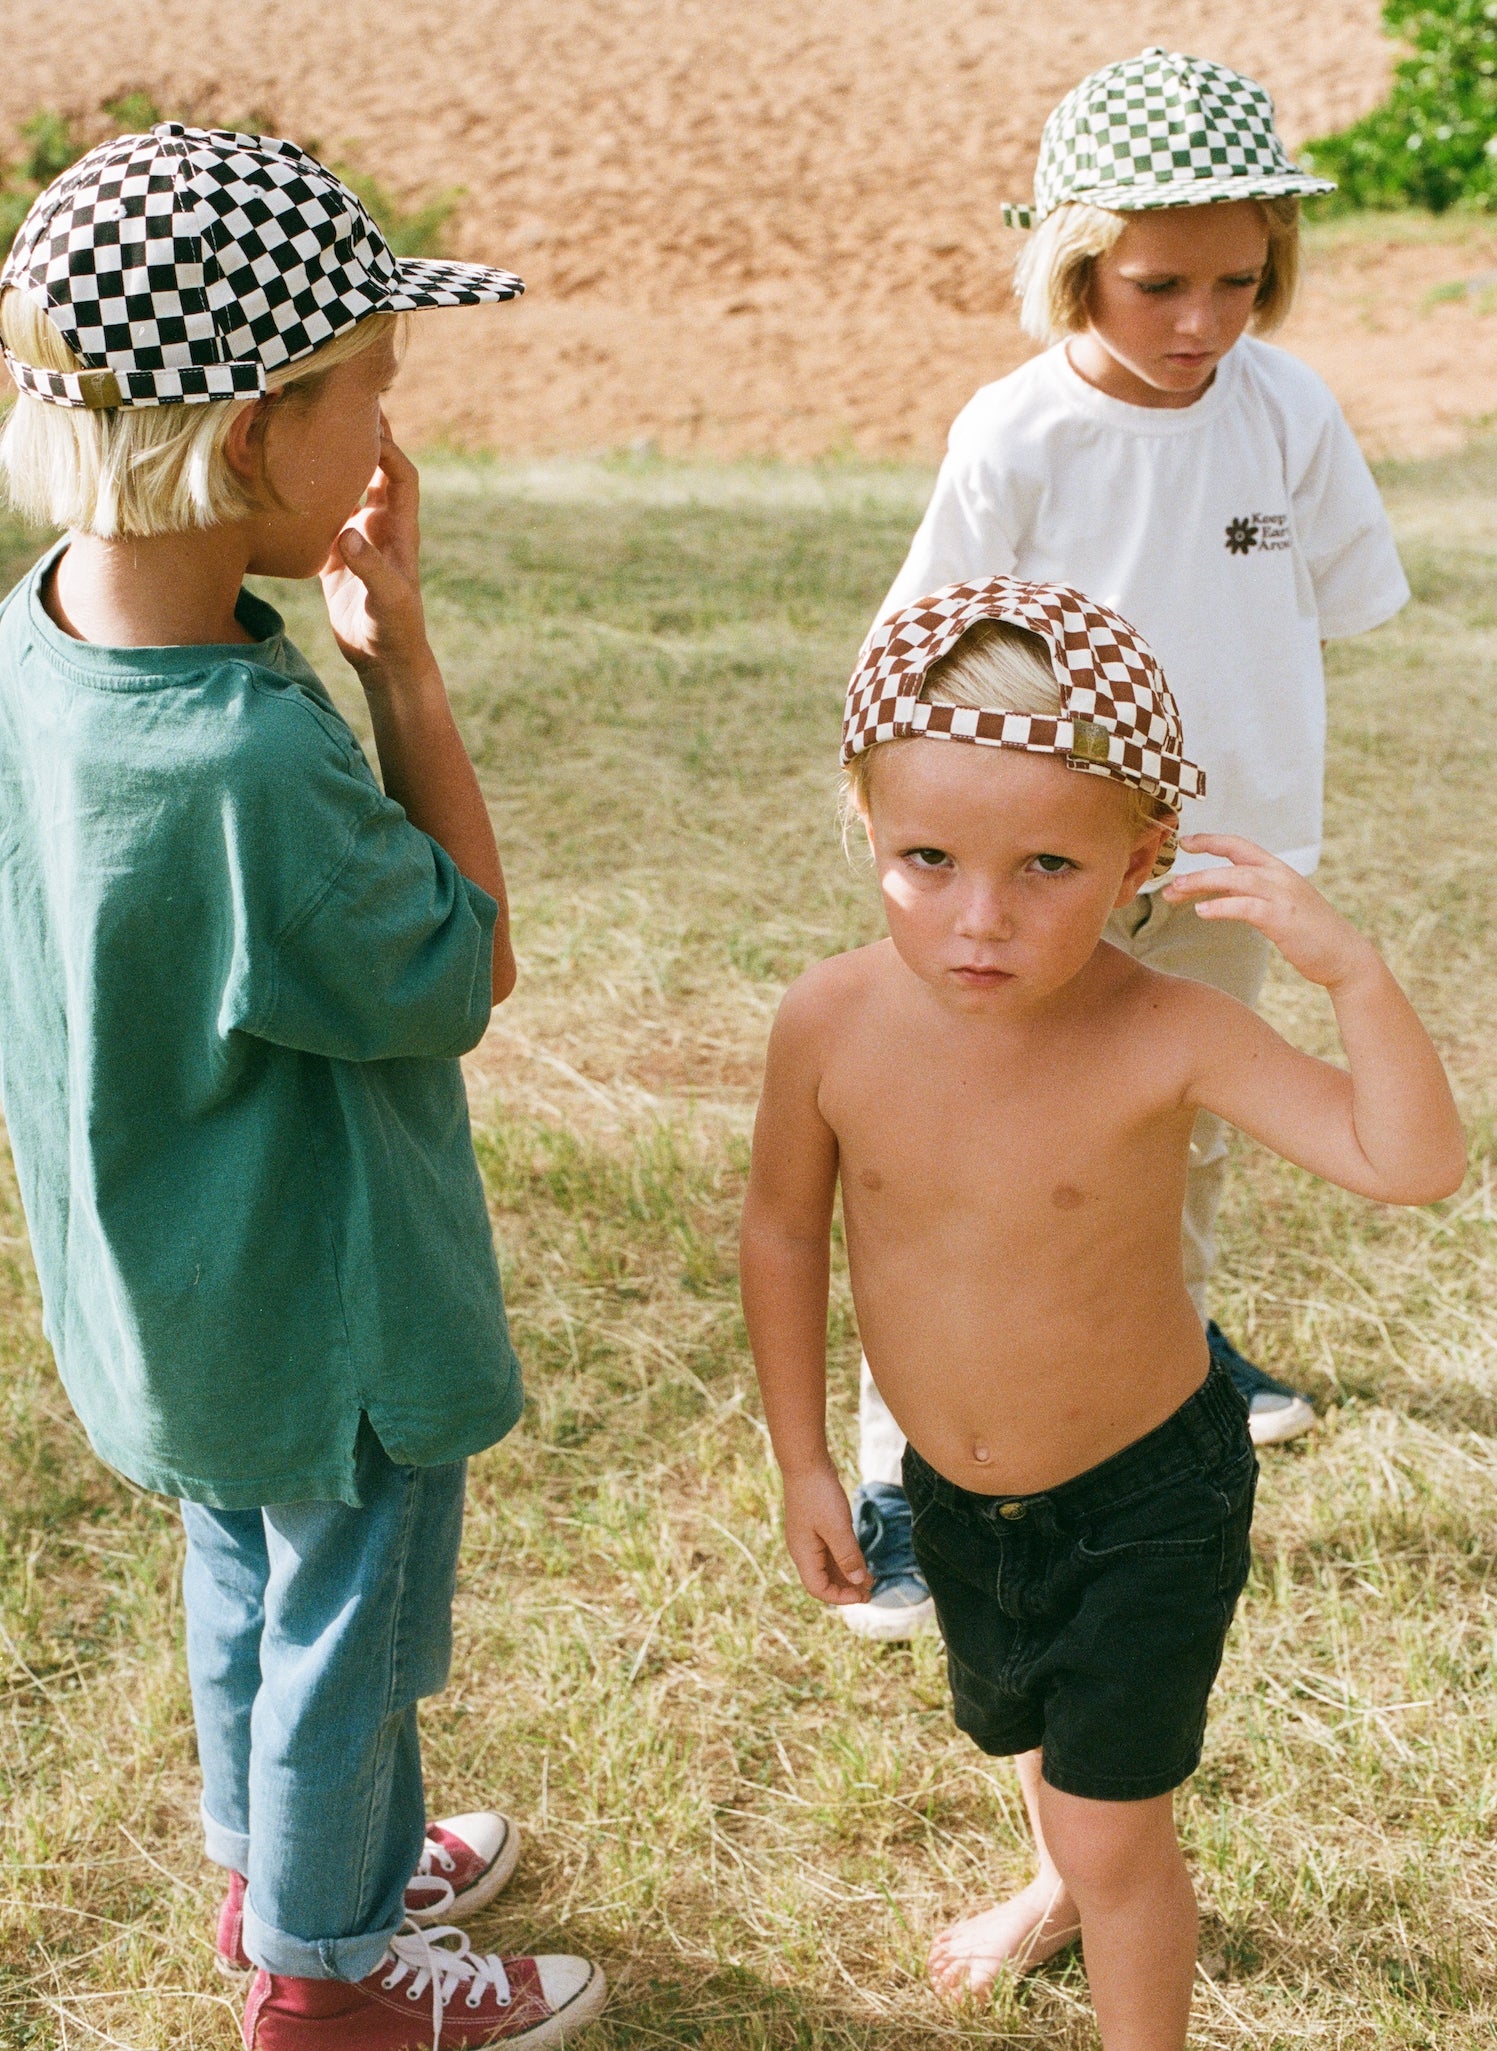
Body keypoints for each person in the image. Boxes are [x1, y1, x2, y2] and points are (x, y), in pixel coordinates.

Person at [0, 125, 606, 2050]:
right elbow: (465, 963)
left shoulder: (37, 642)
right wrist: (405, 669)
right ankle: (328, 1975)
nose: (391, 441)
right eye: (371, 393)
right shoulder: (251, 764)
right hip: (321, 1303)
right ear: (257, 435)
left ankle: (285, 1859)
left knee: (241, 1572)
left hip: (164, 1280)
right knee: (344, 1623)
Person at [739, 579, 1464, 2046]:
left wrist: (1350, 970)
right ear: (863, 830)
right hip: (946, 1492)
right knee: (1022, 1731)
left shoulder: (1166, 1029)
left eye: (1048, 867)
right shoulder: (827, 1020)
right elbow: (779, 1227)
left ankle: (1102, 1913)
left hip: (1143, 1498)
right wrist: (807, 1462)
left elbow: (1412, 1163)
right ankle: (1056, 1882)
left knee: (1121, 1831)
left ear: (1144, 857)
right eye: (925, 859)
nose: (980, 919)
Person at [844, 46, 1412, 1645]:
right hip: (1039, 879)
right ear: (1074, 262)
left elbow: (1315, 611)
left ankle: (1166, 1369)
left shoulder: (1287, 409)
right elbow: (923, 663)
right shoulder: (1016, 436)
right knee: (969, 1167)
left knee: (1182, 1138)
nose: (1202, 325)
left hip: (1221, 868)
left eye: (1241, 282)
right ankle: (904, 1475)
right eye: (1160, 284)